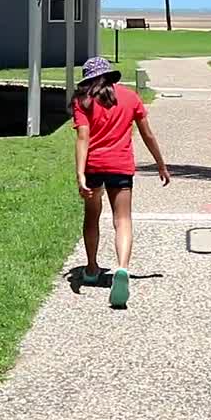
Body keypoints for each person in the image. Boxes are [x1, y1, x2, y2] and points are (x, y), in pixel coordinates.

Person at [72, 57, 170, 308]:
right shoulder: (130, 97)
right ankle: (123, 268)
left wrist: (80, 174)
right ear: (110, 76)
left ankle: (92, 269)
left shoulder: (83, 101)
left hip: (93, 166)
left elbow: (83, 138)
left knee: (92, 216)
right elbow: (147, 133)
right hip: (120, 165)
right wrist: (160, 163)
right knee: (123, 219)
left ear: (88, 80)